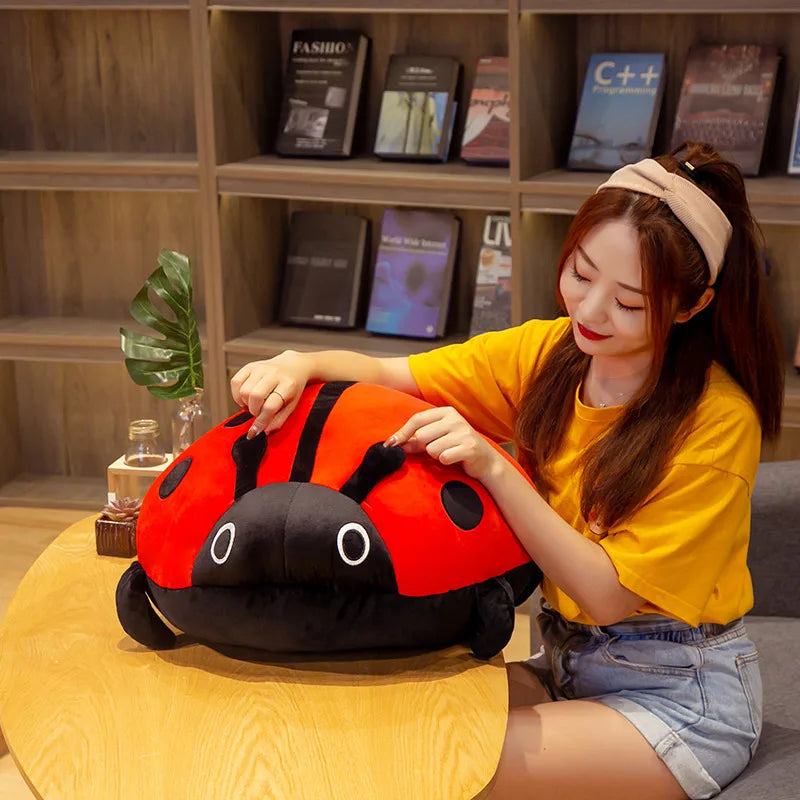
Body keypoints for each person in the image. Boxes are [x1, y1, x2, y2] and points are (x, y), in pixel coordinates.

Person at [230, 142, 784, 800]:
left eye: (631, 303)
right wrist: (299, 362)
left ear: (692, 306)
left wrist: (495, 466)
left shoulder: (717, 421)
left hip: (679, 702)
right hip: (566, 662)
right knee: (385, 720)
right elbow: (395, 376)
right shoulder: (551, 353)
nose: (590, 310)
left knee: (449, 764)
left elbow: (607, 594)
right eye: (580, 272)